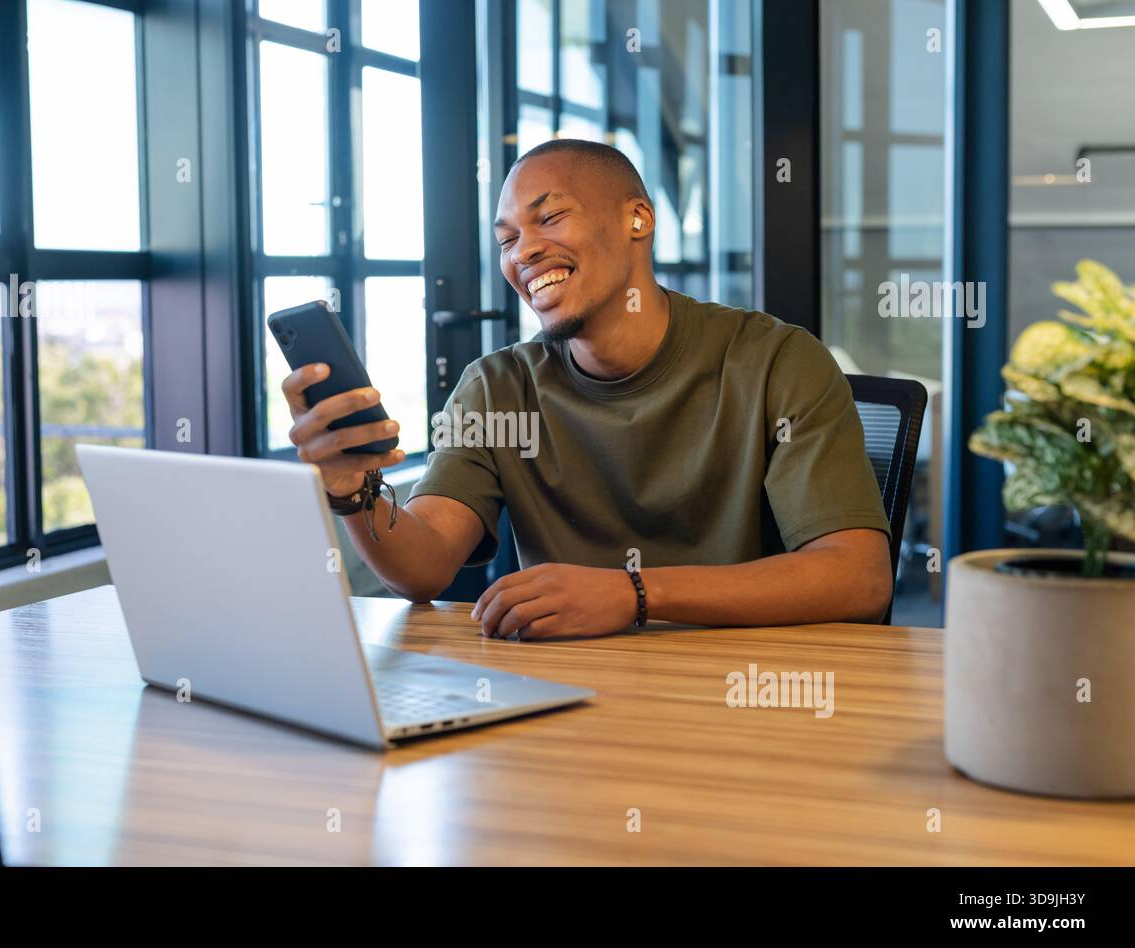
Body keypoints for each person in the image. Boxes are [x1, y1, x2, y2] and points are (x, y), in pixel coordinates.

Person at [281, 139, 893, 639]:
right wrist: (351, 491)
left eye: (549, 217)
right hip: (567, 694)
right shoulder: (496, 389)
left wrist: (634, 594)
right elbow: (425, 565)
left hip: (742, 688)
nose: (525, 251)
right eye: (507, 239)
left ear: (638, 218)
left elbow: (858, 577)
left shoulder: (777, 360)